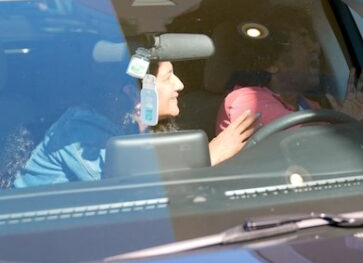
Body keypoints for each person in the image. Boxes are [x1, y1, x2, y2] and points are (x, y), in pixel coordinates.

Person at [13, 60, 258, 188]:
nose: (180, 84)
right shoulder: (78, 132)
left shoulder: (134, 126)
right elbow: (127, 189)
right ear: (135, 94)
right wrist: (209, 155)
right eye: (168, 77)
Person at [216, 19, 363, 134]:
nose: (316, 48)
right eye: (303, 41)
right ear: (271, 64)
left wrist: (352, 122)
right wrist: (347, 123)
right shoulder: (248, 100)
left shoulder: (308, 105)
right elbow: (307, 145)